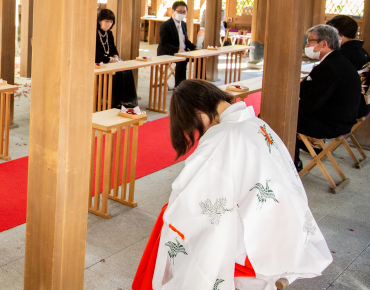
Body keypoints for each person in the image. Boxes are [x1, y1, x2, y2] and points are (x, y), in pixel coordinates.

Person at [132, 80, 332, 290]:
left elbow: (191, 193)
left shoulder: (224, 135)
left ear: (198, 111)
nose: (200, 130)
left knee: (172, 221)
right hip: (287, 231)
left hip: (256, 243)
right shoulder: (258, 123)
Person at [296, 24, 362, 170]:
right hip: (341, 119)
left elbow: (311, 104)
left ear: (324, 44)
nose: (307, 45)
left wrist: (289, 108)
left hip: (331, 124)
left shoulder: (329, 67)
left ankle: (293, 164)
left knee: (277, 118)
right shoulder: (338, 61)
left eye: (310, 41)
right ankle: (304, 151)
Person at [96, 8, 137, 107]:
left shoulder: (109, 34)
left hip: (110, 61)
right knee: (119, 73)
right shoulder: (95, 34)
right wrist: (109, 59)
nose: (109, 24)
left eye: (111, 22)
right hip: (100, 62)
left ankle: (125, 100)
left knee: (127, 70)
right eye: (107, 21)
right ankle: (116, 102)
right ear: (100, 21)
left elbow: (113, 48)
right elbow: (96, 53)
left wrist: (115, 56)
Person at [157, 1, 196, 87]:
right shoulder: (166, 25)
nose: (181, 14)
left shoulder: (184, 24)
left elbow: (186, 41)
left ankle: (199, 84)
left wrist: (195, 48)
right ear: (173, 11)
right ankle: (180, 87)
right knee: (182, 60)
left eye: (184, 12)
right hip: (168, 52)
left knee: (199, 58)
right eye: (179, 11)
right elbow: (164, 44)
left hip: (182, 52)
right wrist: (177, 50)